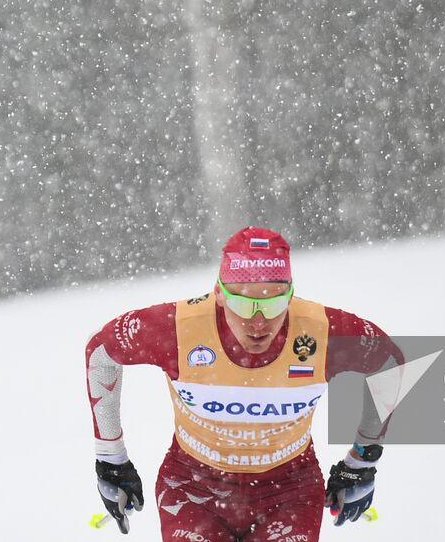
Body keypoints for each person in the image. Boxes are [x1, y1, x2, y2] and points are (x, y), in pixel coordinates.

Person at [84, 228, 400, 540]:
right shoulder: (179, 328)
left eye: (274, 303)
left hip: (290, 491)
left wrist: (362, 460)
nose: (259, 322)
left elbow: (390, 362)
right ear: (219, 293)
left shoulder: (321, 330)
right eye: (244, 303)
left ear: (291, 293)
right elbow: (101, 354)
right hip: (194, 489)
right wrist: (111, 458)